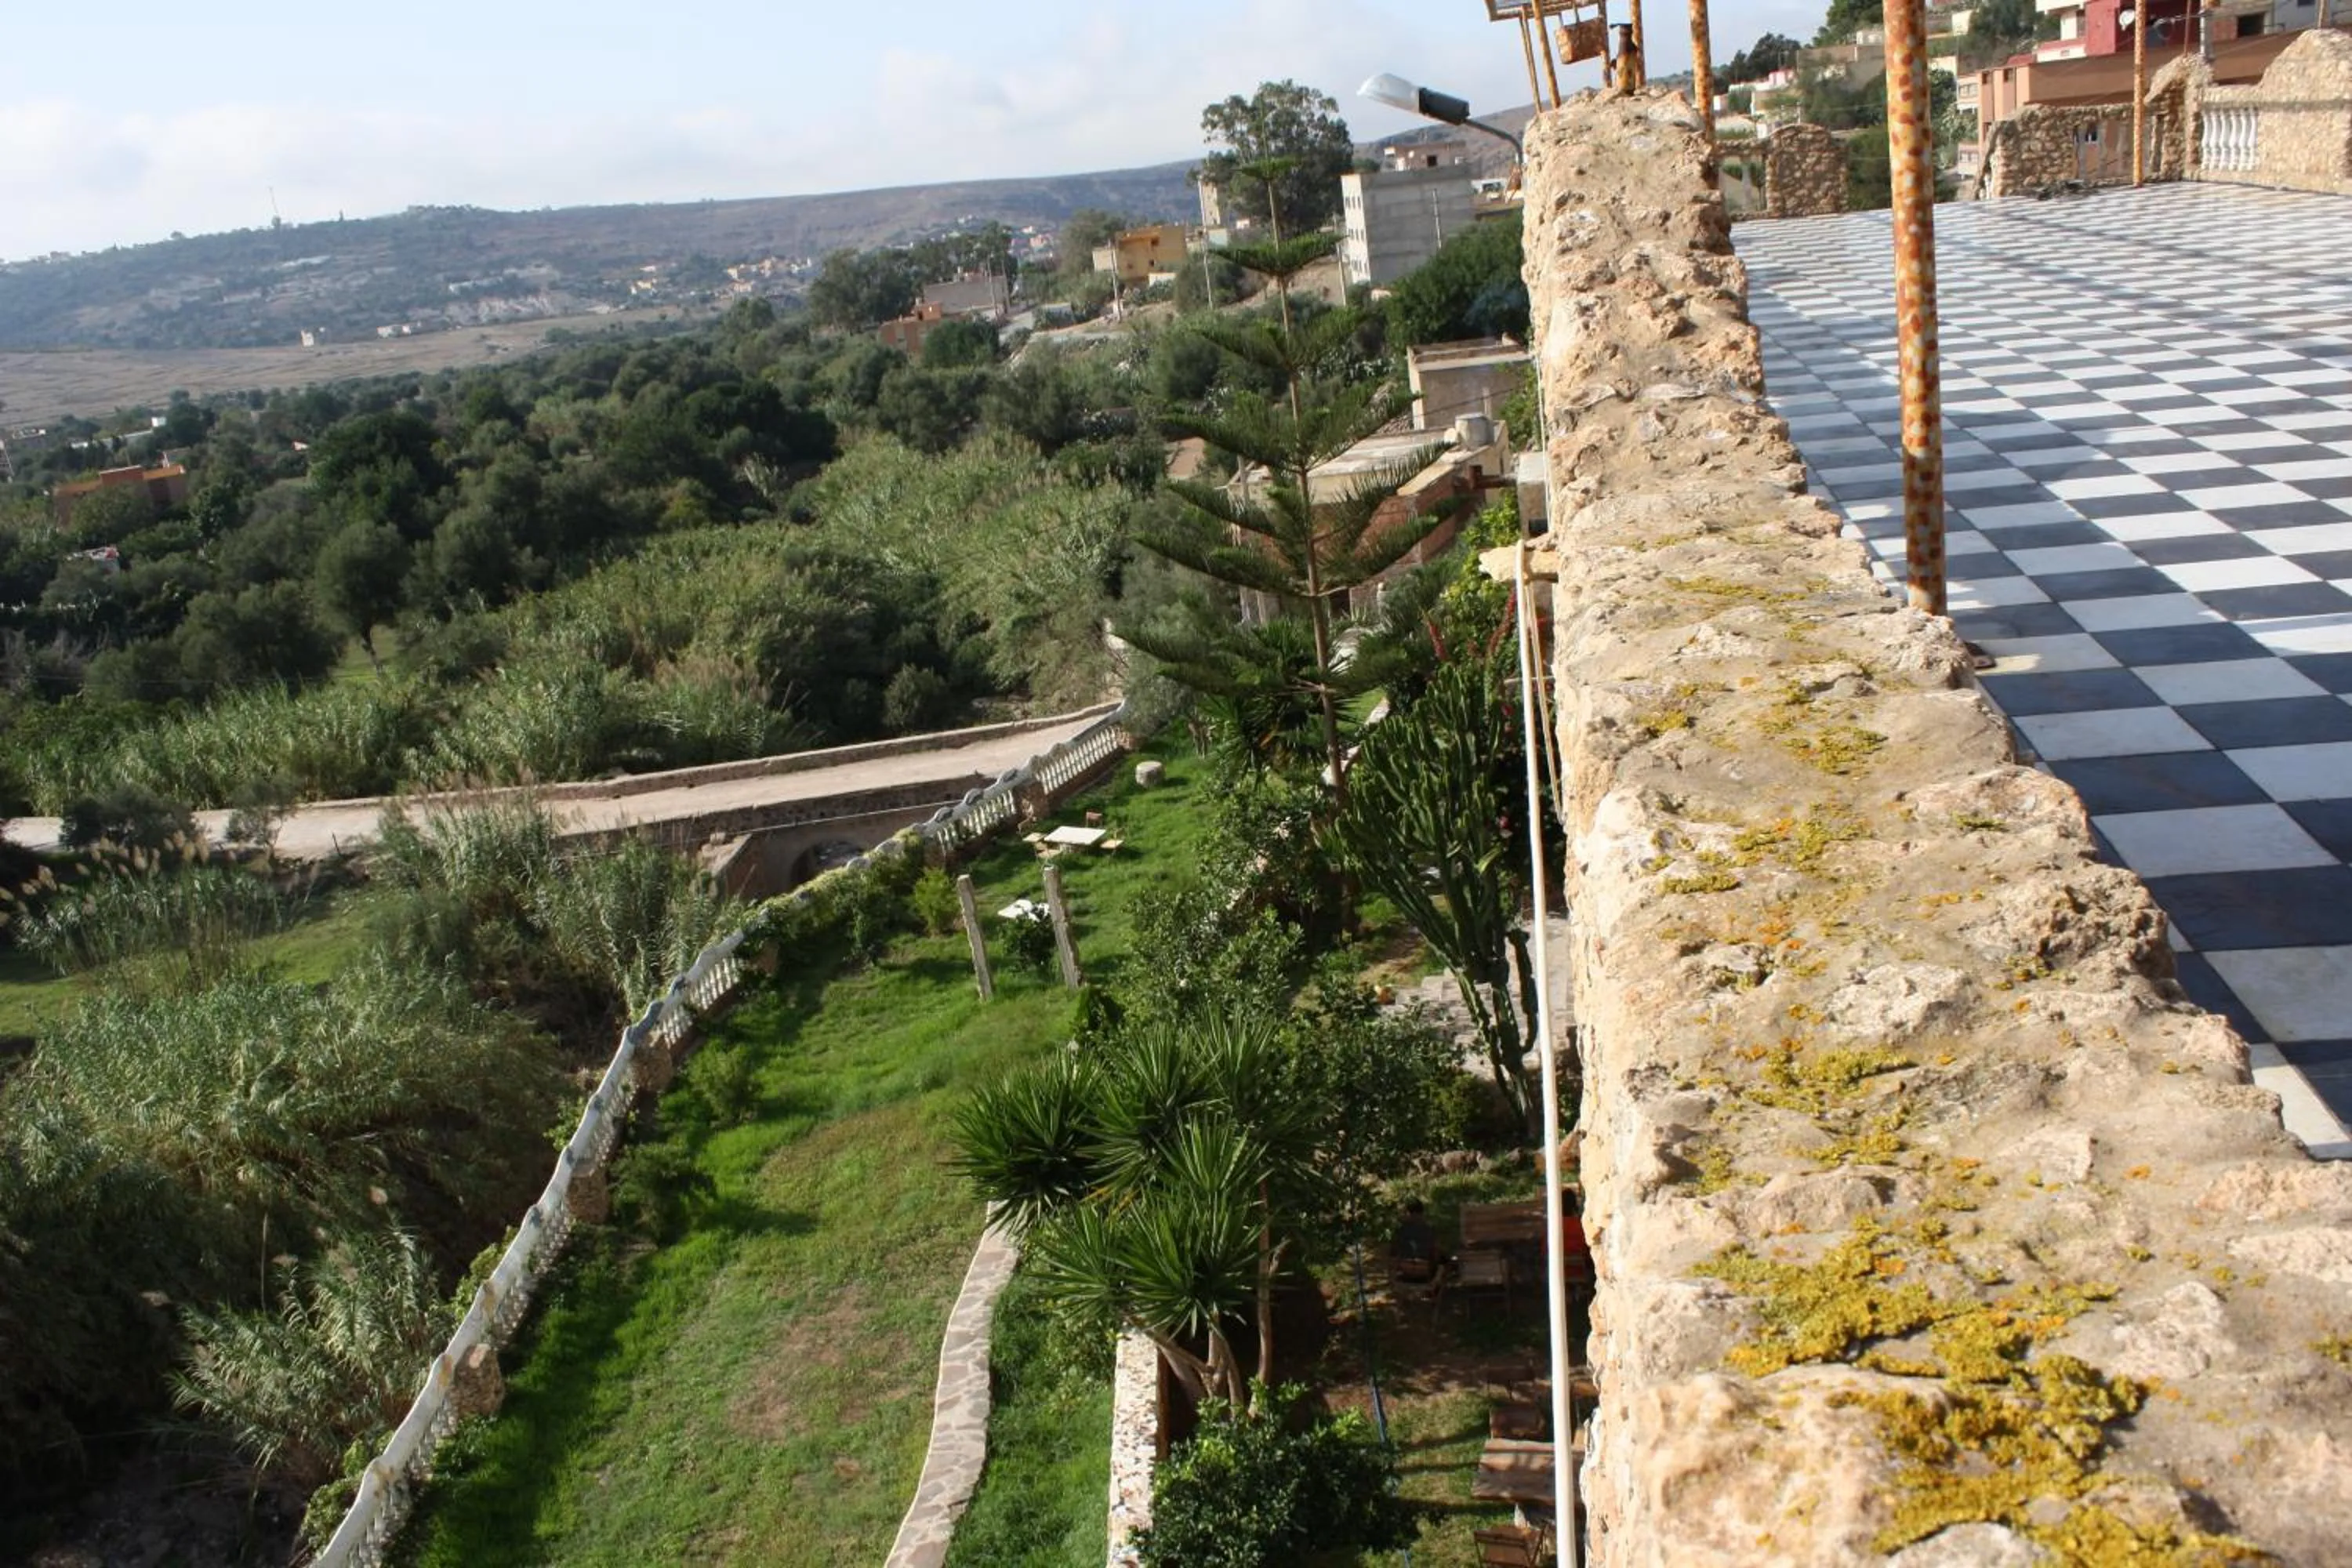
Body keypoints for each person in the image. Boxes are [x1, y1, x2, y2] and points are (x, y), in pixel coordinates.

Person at [1390, 1198, 1448, 1284]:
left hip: (1405, 1271)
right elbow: (1436, 1251)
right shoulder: (1429, 1230)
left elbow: (1394, 1252)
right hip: (1425, 1273)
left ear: (1409, 1213)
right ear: (1422, 1213)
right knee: (1445, 1260)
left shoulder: (1401, 1230)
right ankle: (1435, 1283)